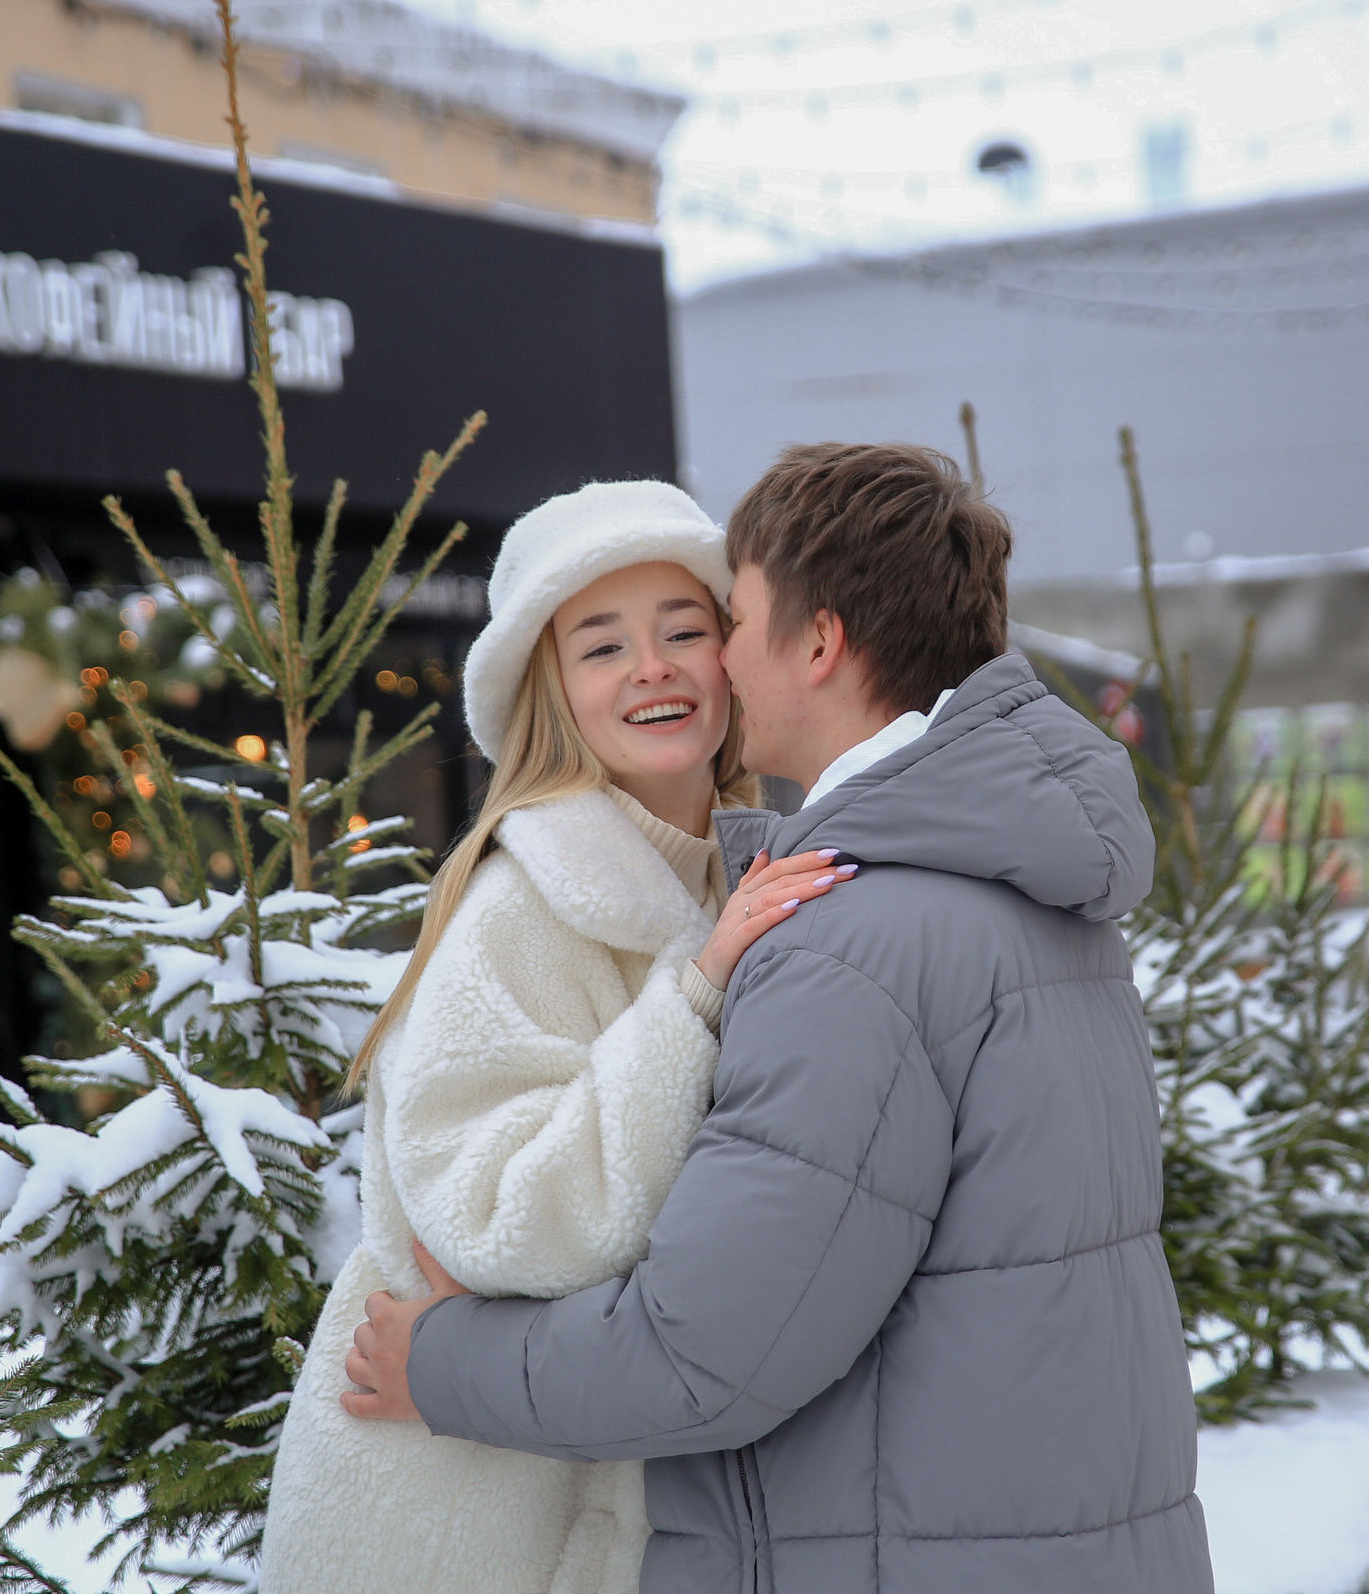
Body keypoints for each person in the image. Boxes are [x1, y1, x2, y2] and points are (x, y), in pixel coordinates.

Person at [344, 443, 1211, 1594]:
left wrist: (438, 1363)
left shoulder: (854, 933)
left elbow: (703, 1354)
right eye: (606, 643)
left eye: (722, 620)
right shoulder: (1025, 882)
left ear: (817, 642)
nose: (712, 661)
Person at [260, 478, 860, 1594]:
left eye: (686, 629)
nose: (653, 666)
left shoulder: (750, 884)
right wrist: (691, 1000)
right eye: (602, 647)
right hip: (466, 1519)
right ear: (552, 693)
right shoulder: (520, 907)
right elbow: (501, 1222)